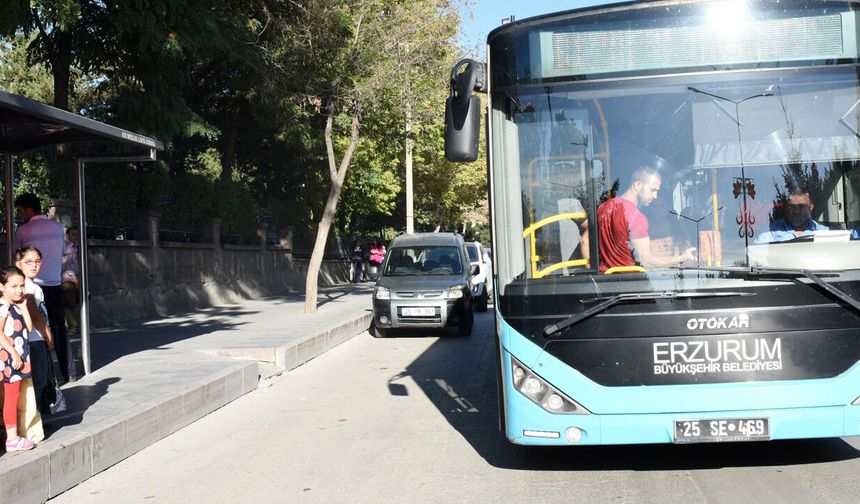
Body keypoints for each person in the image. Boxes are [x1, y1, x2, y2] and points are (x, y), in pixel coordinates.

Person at [12, 193, 70, 383]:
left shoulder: (24, 230)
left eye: (20, 210)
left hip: (33, 286)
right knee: (59, 327)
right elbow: (62, 253)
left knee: (37, 332)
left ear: (29, 209)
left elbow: (16, 256)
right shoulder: (58, 228)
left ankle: (46, 375)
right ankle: (68, 370)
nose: (20, 215)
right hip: (55, 284)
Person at [597, 165, 696, 273]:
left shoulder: (603, 208)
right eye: (652, 190)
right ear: (638, 185)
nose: (655, 196)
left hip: (604, 281)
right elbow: (645, 261)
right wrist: (681, 258)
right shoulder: (636, 218)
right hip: (629, 282)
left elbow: (585, 241)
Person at [0, 265, 38, 452]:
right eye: (14, 286)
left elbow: (29, 329)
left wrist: (24, 308)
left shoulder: (15, 305)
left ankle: (12, 436)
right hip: (9, 358)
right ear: (2, 287)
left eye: (22, 286)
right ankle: (12, 439)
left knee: (13, 395)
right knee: (11, 396)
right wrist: (14, 353)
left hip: (16, 358)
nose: (19, 290)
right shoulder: (2, 306)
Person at [14, 247, 54, 417]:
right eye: (29, 261)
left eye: (37, 261)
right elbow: (33, 313)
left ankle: (36, 417)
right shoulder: (26, 286)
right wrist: (47, 334)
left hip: (33, 339)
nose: (34, 265)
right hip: (34, 339)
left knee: (38, 380)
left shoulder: (31, 284)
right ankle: (33, 419)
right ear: (18, 264)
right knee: (39, 380)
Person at [755, 189, 829, 243]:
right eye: (791, 206)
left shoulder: (823, 233)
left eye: (801, 206)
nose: (796, 211)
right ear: (786, 208)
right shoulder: (770, 231)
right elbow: (758, 259)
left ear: (811, 208)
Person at [62, 227, 81, 335]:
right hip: (67, 279)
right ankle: (73, 325)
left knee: (73, 302)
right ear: (67, 235)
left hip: (75, 278)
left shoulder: (76, 246)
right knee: (68, 302)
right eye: (73, 234)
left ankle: (73, 324)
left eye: (76, 235)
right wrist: (75, 279)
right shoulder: (66, 247)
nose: (75, 237)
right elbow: (66, 266)